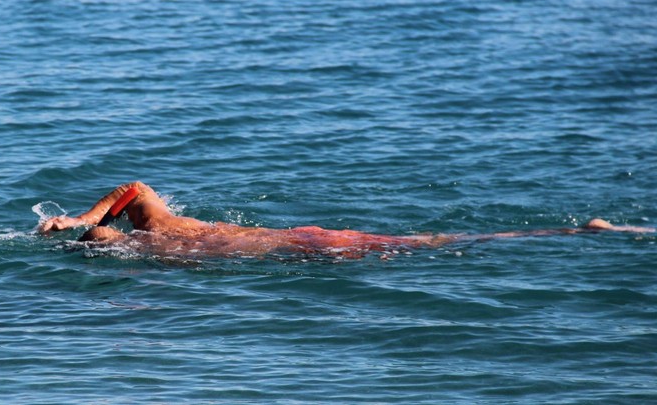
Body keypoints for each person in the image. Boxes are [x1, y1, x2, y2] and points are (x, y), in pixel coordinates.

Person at [37, 181, 654, 258]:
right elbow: (133, 186)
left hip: (301, 249)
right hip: (296, 237)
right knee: (426, 242)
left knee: (424, 246)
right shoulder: (160, 223)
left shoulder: (152, 252)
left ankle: (581, 233)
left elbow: (127, 192)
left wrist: (77, 224)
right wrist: (76, 216)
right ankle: (579, 232)